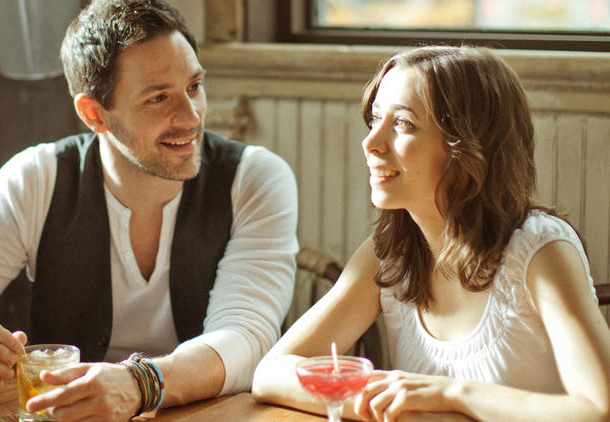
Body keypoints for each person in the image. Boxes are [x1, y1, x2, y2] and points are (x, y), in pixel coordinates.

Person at [0, 0, 298, 420]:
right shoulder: (35, 180)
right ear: (94, 114)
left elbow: (248, 339)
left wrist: (138, 385)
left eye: (194, 86)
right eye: (158, 98)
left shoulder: (254, 178)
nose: (190, 116)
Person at [251, 45, 610, 422]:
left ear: (466, 147)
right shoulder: (388, 254)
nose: (371, 142)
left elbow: (599, 407)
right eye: (375, 119)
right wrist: (391, 404)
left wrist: (453, 394)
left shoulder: (541, 252)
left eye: (403, 124)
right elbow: (271, 374)